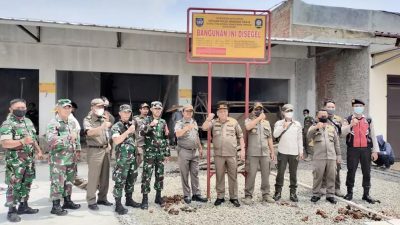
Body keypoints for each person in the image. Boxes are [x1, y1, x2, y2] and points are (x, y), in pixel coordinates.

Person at [0, 98, 43, 222]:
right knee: (14, 185)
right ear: (11, 109)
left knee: (27, 183)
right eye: (18, 108)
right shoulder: (8, 124)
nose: (21, 110)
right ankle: (11, 210)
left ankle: (23, 206)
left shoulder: (28, 121)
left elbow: (32, 138)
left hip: (29, 160)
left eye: (23, 108)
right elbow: (5, 143)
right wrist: (21, 141)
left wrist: (38, 150)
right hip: (15, 162)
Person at [201, 103, 245, 207]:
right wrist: (208, 119)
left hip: (231, 154)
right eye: (220, 111)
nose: (223, 113)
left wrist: (243, 150)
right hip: (218, 155)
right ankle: (220, 197)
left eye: (225, 111)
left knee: (233, 176)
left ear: (227, 112)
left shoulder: (234, 122)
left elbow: (241, 136)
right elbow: (203, 128)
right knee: (219, 176)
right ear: (217, 113)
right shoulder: (214, 122)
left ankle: (233, 197)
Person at [46, 99, 81, 216]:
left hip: (71, 157)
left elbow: (76, 137)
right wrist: (68, 137)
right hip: (58, 159)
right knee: (57, 182)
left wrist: (78, 149)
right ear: (58, 109)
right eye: (64, 107)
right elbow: (50, 141)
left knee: (69, 180)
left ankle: (67, 201)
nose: (67, 110)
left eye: (69, 107)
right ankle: (55, 206)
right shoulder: (53, 123)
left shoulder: (71, 122)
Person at [342, 99, 379, 204]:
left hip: (366, 149)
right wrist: (350, 125)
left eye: (360, 105)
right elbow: (342, 133)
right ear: (353, 107)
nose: (358, 107)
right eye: (356, 105)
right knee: (351, 171)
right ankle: (349, 193)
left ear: (363, 107)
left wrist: (375, 151)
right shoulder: (348, 119)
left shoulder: (368, 119)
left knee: (367, 171)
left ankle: (366, 194)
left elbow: (373, 136)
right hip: (352, 149)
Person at [139, 101, 171, 209]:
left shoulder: (163, 122)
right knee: (146, 176)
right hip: (149, 153)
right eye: (155, 108)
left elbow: (166, 138)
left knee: (160, 175)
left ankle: (158, 197)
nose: (157, 110)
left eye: (159, 109)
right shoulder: (146, 120)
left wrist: (167, 153)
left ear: (161, 110)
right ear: (151, 110)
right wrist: (150, 125)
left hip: (160, 153)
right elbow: (141, 132)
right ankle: (145, 199)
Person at [243, 102, 276, 205]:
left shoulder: (266, 123)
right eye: (256, 109)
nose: (258, 110)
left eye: (260, 109)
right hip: (253, 153)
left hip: (265, 153)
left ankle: (266, 194)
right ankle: (248, 195)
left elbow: (269, 137)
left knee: (266, 175)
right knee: (251, 174)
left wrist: (272, 151)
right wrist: (258, 118)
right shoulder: (249, 120)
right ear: (253, 110)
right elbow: (248, 127)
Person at [83, 98, 113, 210]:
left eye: (102, 107)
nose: (101, 109)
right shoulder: (88, 119)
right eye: (99, 106)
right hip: (95, 150)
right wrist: (102, 126)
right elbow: (89, 132)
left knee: (105, 176)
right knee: (94, 177)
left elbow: (109, 128)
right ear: (92, 107)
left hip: (105, 149)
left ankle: (102, 198)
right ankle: (91, 201)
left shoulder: (104, 117)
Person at [111, 104, 141, 215]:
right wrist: (128, 131)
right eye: (124, 112)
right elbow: (116, 141)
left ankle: (129, 200)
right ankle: (118, 205)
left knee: (131, 180)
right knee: (119, 181)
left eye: (128, 112)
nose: (126, 114)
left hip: (132, 159)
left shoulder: (131, 124)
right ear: (120, 113)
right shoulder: (116, 126)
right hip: (122, 160)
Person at [175, 104, 207, 204]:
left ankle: (196, 194)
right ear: (183, 112)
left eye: (191, 111)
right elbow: (177, 134)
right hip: (184, 151)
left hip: (195, 151)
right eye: (187, 111)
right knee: (184, 174)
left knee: (195, 173)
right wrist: (186, 128)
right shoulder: (179, 123)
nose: (189, 113)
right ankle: (187, 195)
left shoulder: (194, 122)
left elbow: (196, 136)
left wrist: (200, 148)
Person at [307, 109, 341, 204]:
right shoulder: (313, 127)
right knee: (318, 176)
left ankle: (330, 195)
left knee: (331, 176)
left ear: (327, 117)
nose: (323, 117)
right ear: (317, 117)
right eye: (321, 115)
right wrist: (316, 128)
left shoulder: (332, 128)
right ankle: (316, 194)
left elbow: (336, 143)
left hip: (331, 157)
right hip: (319, 157)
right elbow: (308, 136)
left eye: (325, 115)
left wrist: (338, 155)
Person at [273, 104, 303, 202]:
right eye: (287, 111)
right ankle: (278, 192)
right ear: (283, 112)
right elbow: (275, 134)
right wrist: (283, 127)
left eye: (291, 110)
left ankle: (293, 193)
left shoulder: (297, 124)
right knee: (280, 173)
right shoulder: (279, 123)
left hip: (294, 152)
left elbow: (299, 139)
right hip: (282, 151)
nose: (289, 112)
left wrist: (301, 151)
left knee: (293, 173)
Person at [320, 100, 344, 197]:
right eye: (329, 107)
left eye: (332, 107)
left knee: (337, 168)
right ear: (325, 107)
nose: (331, 109)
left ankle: (337, 188)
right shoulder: (320, 118)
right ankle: (323, 187)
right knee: (324, 168)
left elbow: (341, 133)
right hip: (324, 147)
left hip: (335, 147)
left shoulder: (338, 119)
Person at [70, 102, 88, 190]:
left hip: (72, 149)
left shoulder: (71, 117)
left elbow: (76, 134)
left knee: (72, 172)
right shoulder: (58, 120)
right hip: (63, 152)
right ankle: (88, 185)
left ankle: (88, 185)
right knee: (68, 174)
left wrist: (78, 148)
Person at [133, 103, 150, 167]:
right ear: (140, 110)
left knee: (148, 164)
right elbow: (132, 131)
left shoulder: (150, 119)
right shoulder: (135, 119)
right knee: (137, 162)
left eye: (147, 109)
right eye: (144, 109)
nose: (146, 110)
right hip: (139, 144)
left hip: (149, 144)